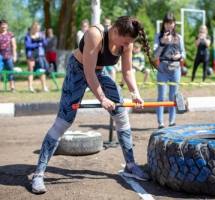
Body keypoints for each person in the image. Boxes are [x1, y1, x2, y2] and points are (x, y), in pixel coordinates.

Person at [31, 16, 156, 194]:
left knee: (121, 113)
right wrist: (103, 98)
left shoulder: (126, 42)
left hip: (99, 72)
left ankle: (130, 165)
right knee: (64, 121)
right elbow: (89, 74)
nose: (127, 45)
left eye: (129, 42)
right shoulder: (94, 34)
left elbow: (127, 71)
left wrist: (135, 93)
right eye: (126, 41)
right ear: (115, 31)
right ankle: (38, 174)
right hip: (78, 70)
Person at [154, 12, 186, 129]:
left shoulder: (179, 37)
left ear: (174, 24)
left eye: (171, 23)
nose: (169, 26)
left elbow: (184, 53)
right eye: (167, 23)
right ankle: (160, 123)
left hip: (175, 69)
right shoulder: (158, 36)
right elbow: (155, 54)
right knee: (161, 96)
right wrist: (162, 43)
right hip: (162, 69)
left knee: (173, 96)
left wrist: (180, 56)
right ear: (164, 24)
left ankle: (172, 121)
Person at [25, 22, 49, 92]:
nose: (37, 30)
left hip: (40, 55)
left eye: (38, 28)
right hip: (31, 55)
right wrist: (37, 44)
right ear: (33, 28)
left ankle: (44, 87)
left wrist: (43, 38)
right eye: (36, 28)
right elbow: (27, 45)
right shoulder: (28, 35)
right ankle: (30, 88)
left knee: (42, 71)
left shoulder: (41, 34)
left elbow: (45, 43)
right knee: (31, 71)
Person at [0, 19, 17, 92]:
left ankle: (12, 88)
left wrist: (15, 55)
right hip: (0, 56)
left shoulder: (10, 34)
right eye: (2, 24)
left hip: (9, 56)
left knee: (11, 72)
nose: (3, 26)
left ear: (7, 26)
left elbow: (14, 45)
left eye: (5, 24)